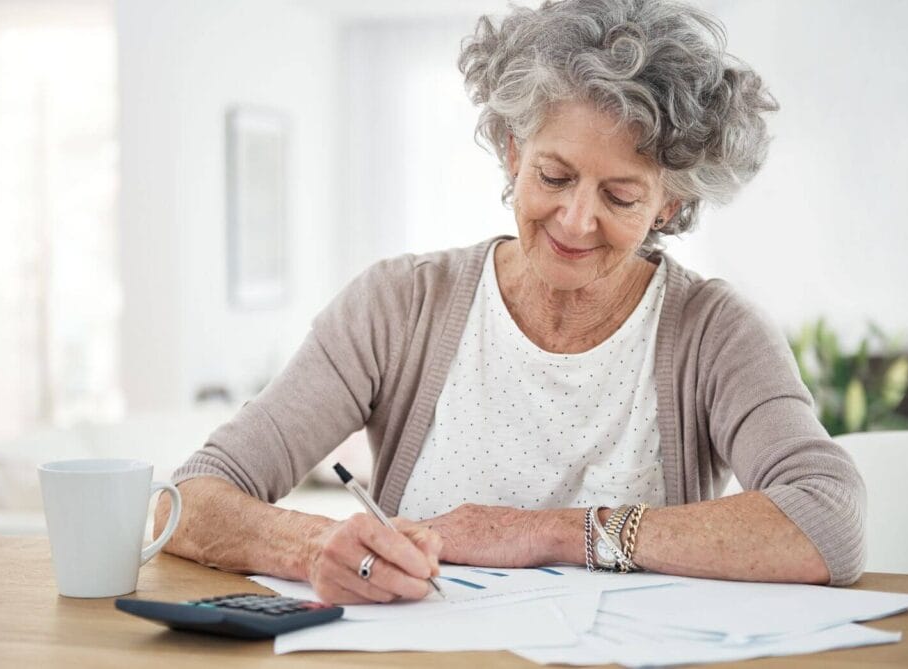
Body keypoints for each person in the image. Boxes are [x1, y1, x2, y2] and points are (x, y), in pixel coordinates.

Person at [155, 0, 865, 604]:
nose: (576, 220)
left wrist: (550, 531)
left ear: (670, 203)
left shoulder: (715, 333)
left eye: (620, 196)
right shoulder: (399, 307)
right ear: (511, 148)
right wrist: (319, 546)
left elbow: (829, 520)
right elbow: (186, 501)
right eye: (554, 175)